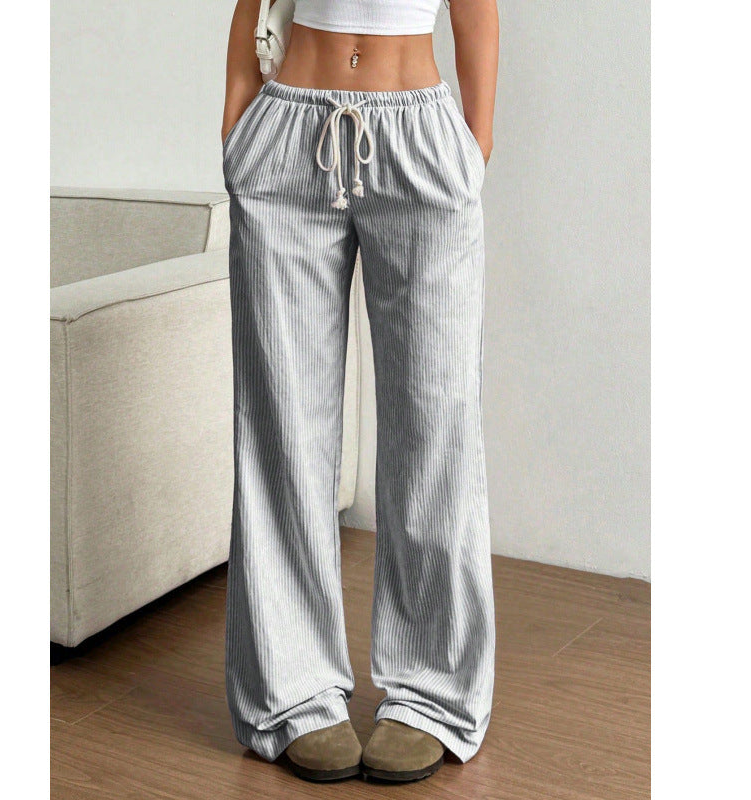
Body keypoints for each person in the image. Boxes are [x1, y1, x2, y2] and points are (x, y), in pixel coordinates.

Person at [221, 0, 499, 783]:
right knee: (283, 425)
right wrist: (239, 124)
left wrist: (472, 149)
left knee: (435, 425)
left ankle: (431, 693)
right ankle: (292, 692)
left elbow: (476, 10)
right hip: (287, 139)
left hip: (418, 139)